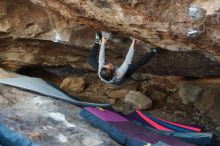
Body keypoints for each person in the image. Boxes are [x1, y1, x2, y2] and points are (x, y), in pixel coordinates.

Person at [87, 31, 160, 85]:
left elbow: (101, 58)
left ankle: (97, 42)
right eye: (109, 66)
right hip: (122, 78)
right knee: (136, 65)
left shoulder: (101, 71)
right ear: (114, 71)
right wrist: (132, 45)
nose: (108, 64)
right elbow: (127, 61)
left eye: (105, 65)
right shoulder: (120, 74)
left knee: (90, 60)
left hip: (108, 76)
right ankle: (154, 51)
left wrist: (102, 44)